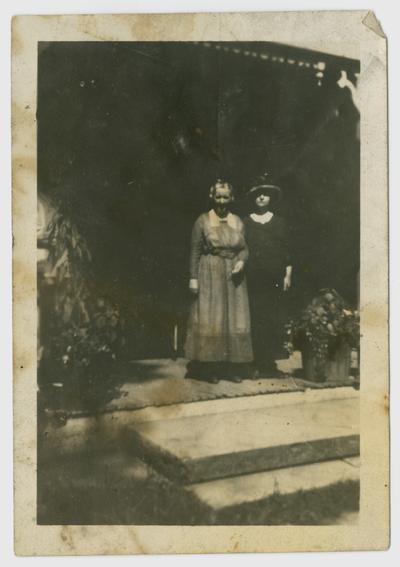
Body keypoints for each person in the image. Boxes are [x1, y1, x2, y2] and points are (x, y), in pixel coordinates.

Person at [185, 180, 253, 383]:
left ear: (231, 198)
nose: (222, 201)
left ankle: (231, 368)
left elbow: (244, 248)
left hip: (233, 276)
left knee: (234, 319)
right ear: (212, 197)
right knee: (212, 319)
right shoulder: (203, 221)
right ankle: (210, 369)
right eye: (218, 197)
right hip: (210, 273)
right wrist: (193, 279)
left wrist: (241, 261)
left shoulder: (238, 221)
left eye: (226, 197)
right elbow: (195, 251)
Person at [244, 178, 292, 377]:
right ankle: (255, 363)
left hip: (274, 278)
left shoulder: (280, 222)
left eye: (265, 194)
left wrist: (287, 275)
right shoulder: (246, 222)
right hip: (253, 278)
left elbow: (287, 251)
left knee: (272, 319)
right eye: (257, 194)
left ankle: (269, 365)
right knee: (255, 318)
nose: (261, 197)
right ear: (254, 198)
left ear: (271, 198)